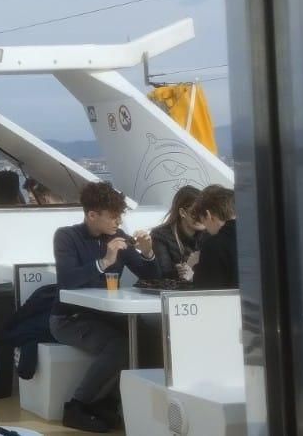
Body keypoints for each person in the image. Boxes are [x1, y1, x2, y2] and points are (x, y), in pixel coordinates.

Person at [50, 182, 161, 432]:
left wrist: (148, 253)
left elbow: (150, 275)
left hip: (106, 316)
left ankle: (117, 403)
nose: (117, 221)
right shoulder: (67, 236)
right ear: (92, 215)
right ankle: (78, 406)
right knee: (120, 346)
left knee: (152, 338)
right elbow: (67, 281)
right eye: (113, 216)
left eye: (119, 215)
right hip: (70, 318)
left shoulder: (117, 237)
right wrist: (105, 261)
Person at [150, 185, 206, 280]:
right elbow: (163, 274)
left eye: (204, 212)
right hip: (173, 292)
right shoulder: (160, 235)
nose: (201, 217)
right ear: (182, 213)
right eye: (195, 213)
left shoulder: (209, 234)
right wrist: (188, 266)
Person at [189, 185, 239, 290]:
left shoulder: (214, 245)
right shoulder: (261, 235)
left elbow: (206, 290)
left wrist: (197, 266)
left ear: (208, 215)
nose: (206, 230)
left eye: (204, 223)